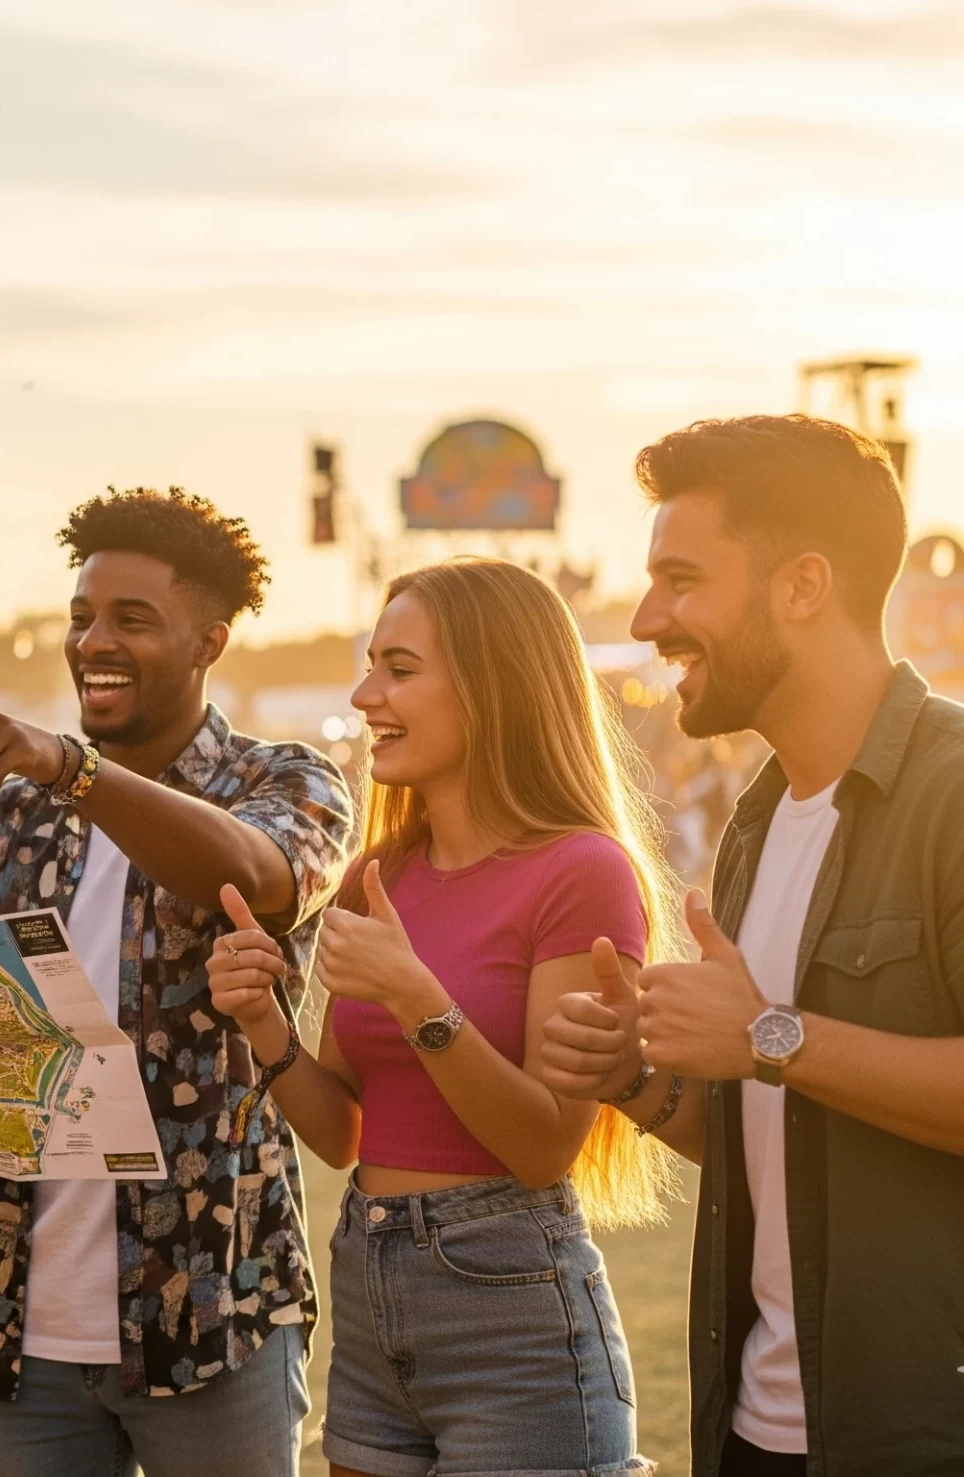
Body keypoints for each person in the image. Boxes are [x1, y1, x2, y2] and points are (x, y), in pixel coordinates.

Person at [0, 488, 356, 1477]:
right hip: (21, 1330)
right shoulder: (11, 819)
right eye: (79, 617)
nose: (92, 640)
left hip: (213, 1315)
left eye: (130, 620)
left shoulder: (286, 781)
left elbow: (262, 879)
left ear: (209, 641)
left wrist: (75, 769)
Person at [533, 415, 964, 1477]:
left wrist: (768, 1034)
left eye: (679, 579)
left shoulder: (951, 794)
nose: (645, 618)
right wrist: (636, 1078)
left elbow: (778, 1052)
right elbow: (772, 1131)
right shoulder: (756, 827)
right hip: (753, 1432)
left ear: (802, 585)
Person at [207, 557, 670, 1476]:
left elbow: (543, 1146)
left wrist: (417, 993)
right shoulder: (382, 872)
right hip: (371, 1294)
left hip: (515, 1312)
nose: (365, 691)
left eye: (401, 669)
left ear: (494, 686)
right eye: (371, 663)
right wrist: (265, 1023)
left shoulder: (582, 871)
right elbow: (342, 1131)